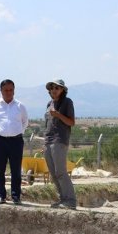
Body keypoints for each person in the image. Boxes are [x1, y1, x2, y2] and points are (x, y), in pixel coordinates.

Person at [0, 79, 28, 204]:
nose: (9, 92)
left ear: (14, 90)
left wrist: (16, 132)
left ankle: (16, 196)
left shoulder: (20, 106)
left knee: (16, 170)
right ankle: (1, 196)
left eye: (11, 90)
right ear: (1, 91)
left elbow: (25, 122)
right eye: (6, 90)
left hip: (16, 141)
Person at [44, 78, 76, 209]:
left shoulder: (67, 102)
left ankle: (70, 200)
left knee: (61, 172)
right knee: (53, 173)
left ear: (63, 90)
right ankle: (62, 199)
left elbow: (71, 122)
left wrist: (58, 115)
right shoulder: (49, 104)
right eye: (52, 88)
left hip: (59, 140)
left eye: (57, 88)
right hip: (48, 141)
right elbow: (47, 125)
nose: (54, 90)